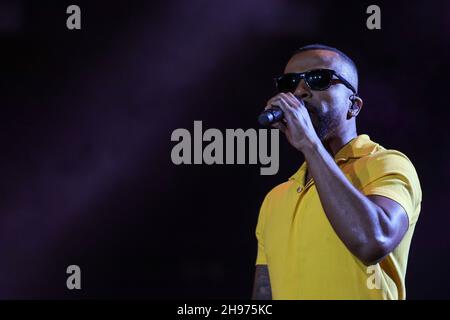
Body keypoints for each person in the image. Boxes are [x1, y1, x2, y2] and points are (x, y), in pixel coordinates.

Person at [252, 44, 422, 300]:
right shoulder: (275, 199)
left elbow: (373, 241)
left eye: (317, 79)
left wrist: (309, 144)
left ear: (353, 106)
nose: (299, 91)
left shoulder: (386, 164)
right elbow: (264, 292)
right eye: (289, 83)